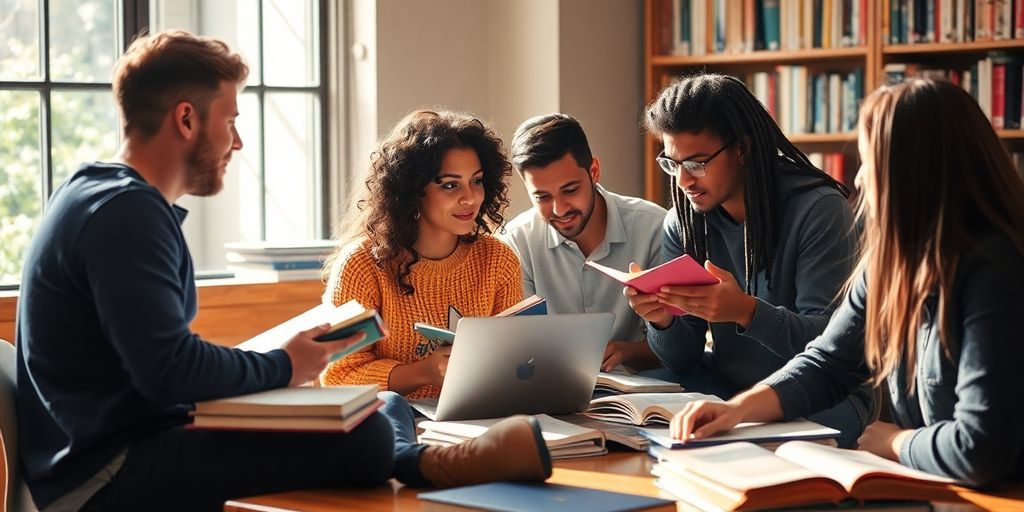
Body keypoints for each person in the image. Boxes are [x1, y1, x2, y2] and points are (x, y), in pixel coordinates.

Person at [15, 32, 545, 512]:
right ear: (186, 119)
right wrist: (283, 365)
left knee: (372, 409)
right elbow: (170, 372)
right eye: (230, 121)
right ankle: (428, 464)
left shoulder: (102, 196)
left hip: (136, 439)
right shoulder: (126, 214)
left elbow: (161, 366)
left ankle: (425, 461)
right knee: (362, 435)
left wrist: (276, 370)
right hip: (107, 473)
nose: (237, 142)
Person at [670, 79, 1024, 487]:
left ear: (915, 172)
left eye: (870, 162)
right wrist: (737, 410)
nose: (860, 181)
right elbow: (829, 363)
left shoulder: (996, 272)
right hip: (935, 484)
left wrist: (896, 442)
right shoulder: (893, 263)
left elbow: (981, 448)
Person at [629, 73, 873, 447]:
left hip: (820, 395)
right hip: (728, 386)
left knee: (751, 444)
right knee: (632, 408)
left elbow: (831, 348)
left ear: (742, 148)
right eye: (672, 164)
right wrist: (661, 320)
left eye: (696, 163)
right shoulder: (684, 221)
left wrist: (746, 311)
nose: (683, 181)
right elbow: (684, 359)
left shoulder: (819, 209)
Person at [320, 109, 550, 488]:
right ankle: (423, 464)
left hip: (474, 425)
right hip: (391, 422)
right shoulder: (362, 265)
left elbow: (516, 364)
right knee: (391, 407)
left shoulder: (498, 259)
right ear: (413, 190)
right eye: (449, 185)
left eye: (476, 181)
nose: (469, 198)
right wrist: (423, 373)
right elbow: (338, 376)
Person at [502, 113, 667, 372]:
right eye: (542, 197)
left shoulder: (654, 227)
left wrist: (625, 351)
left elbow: (681, 349)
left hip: (643, 388)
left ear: (594, 171)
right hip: (550, 387)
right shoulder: (516, 242)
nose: (559, 209)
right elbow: (518, 349)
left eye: (570, 190)